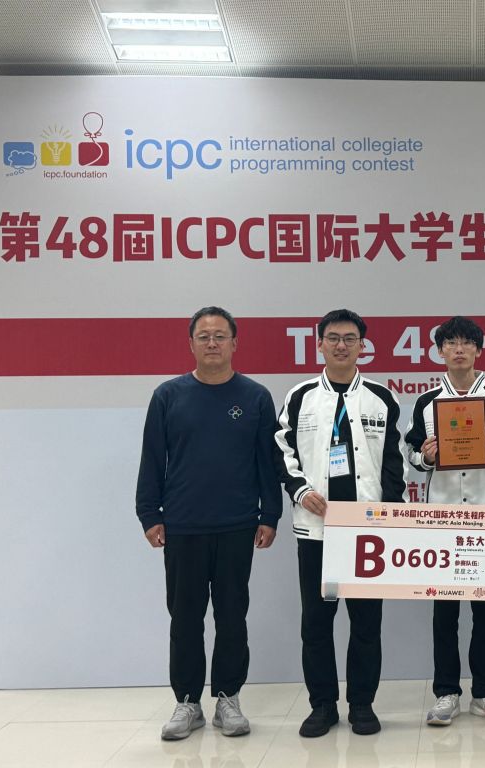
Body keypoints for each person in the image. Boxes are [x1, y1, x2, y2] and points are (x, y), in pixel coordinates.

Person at [136, 306, 281, 741]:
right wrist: (149, 514)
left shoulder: (256, 397)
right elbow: (152, 459)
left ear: (235, 343)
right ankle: (187, 702)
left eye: (220, 335)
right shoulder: (168, 396)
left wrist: (270, 514)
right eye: (204, 336)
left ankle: (228, 699)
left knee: (233, 615)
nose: (213, 343)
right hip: (183, 525)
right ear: (191, 344)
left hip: (238, 524)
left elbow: (267, 463)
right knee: (184, 618)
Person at [275, 309, 407, 736]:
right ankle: (322, 705)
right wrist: (300, 490)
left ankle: (362, 705)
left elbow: (394, 463)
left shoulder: (381, 397)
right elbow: (281, 451)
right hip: (317, 531)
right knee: (316, 623)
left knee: (366, 623)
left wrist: (390, 514)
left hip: (366, 533)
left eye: (350, 339)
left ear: (362, 346)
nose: (341, 345)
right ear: (319, 344)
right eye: (333, 338)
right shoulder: (300, 397)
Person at [404, 316, 485, 727]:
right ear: (439, 352)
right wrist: (426, 456)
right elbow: (411, 454)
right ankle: (446, 693)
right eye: (450, 343)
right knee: (445, 611)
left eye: (466, 342)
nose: (458, 349)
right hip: (443, 517)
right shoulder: (427, 401)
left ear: (479, 349)